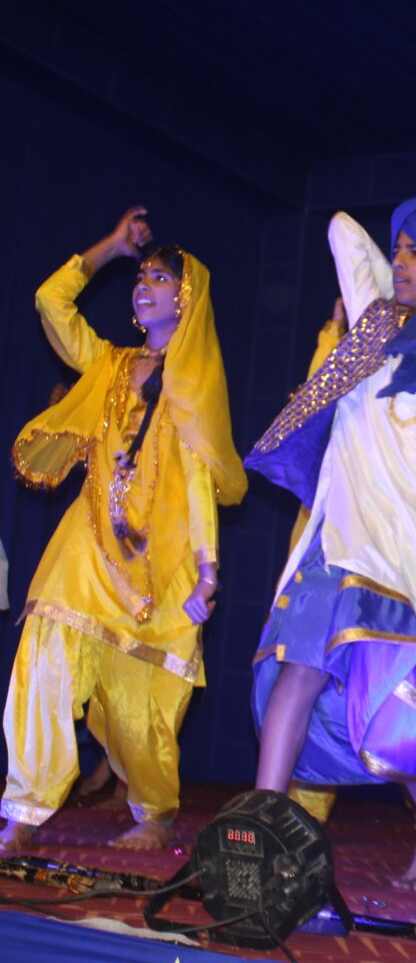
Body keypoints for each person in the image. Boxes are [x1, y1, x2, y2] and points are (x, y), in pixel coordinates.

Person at [246, 130, 416, 892]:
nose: (399, 262)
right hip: (339, 538)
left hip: (413, 555)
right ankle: (262, 829)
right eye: (397, 249)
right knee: (297, 666)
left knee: (393, 714)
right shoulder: (371, 329)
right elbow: (341, 228)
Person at [1, 207, 247, 851]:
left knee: (139, 700)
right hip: (87, 541)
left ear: (187, 300)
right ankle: (23, 810)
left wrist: (208, 570)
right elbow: (50, 303)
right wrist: (110, 248)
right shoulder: (107, 364)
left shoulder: (193, 384)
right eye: (141, 276)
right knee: (45, 654)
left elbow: (198, 482)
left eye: (161, 278)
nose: (144, 285)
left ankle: (155, 813)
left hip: (157, 560)